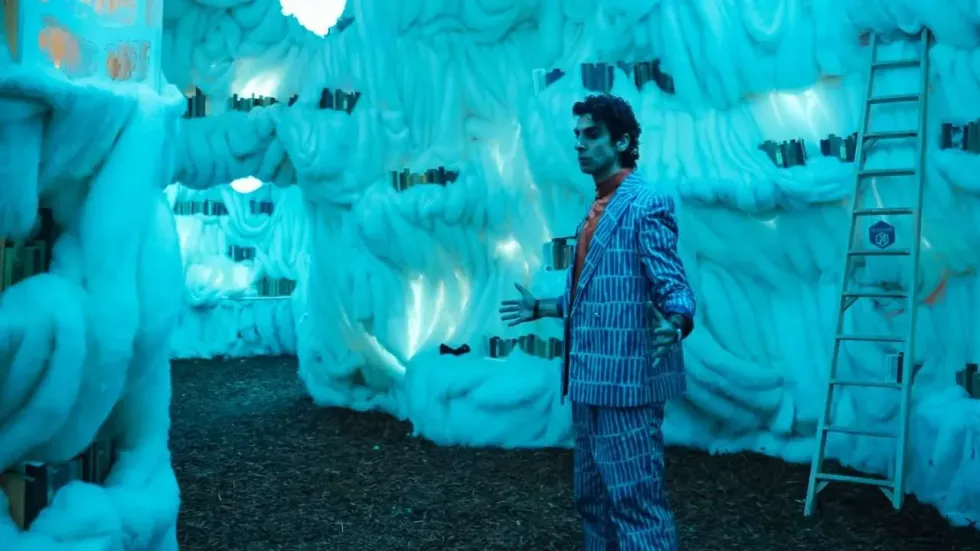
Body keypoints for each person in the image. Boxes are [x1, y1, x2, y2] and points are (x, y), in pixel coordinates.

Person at [499, 94, 695, 551]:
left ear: (622, 142)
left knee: (635, 503)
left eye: (591, 134)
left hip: (627, 383)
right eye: (577, 136)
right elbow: (595, 295)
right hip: (588, 381)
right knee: (592, 499)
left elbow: (672, 282)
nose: (580, 144)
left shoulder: (646, 203)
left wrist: (677, 319)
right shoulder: (595, 211)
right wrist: (542, 308)